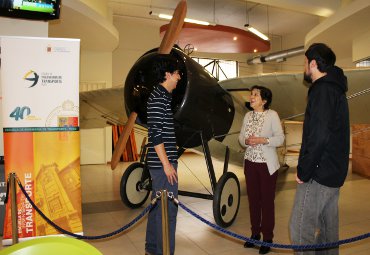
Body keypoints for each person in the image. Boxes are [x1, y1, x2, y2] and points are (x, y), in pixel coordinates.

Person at [289, 43, 350, 255]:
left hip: (318, 173)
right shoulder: (335, 89)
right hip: (333, 172)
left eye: (305, 62)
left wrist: (304, 170)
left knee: (299, 231)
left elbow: (319, 136)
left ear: (313, 63)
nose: (304, 67)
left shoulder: (323, 90)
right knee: (327, 233)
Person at [239, 85, 285, 254]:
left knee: (266, 202)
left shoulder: (272, 115)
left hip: (266, 165)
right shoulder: (247, 115)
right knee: (253, 201)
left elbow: (280, 138)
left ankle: (267, 238)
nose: (251, 97)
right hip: (250, 163)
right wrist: (246, 141)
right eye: (251, 94)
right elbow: (241, 137)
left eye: (256, 95)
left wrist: (262, 140)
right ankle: (254, 234)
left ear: (264, 100)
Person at [145, 54, 181, 255]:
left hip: (160, 163)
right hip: (162, 165)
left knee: (157, 208)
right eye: (177, 74)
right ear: (167, 74)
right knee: (168, 212)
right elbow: (155, 135)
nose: (179, 78)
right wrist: (167, 165)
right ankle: (163, 252)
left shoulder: (161, 96)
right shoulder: (159, 99)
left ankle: (152, 249)